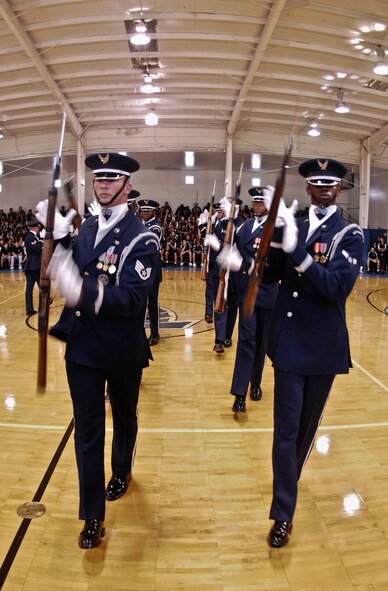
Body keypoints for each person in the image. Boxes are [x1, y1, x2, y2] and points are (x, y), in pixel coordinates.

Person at [218, 157, 363, 548]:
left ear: (339, 188)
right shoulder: (293, 226)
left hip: (322, 345)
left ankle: (288, 477)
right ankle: (283, 512)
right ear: (309, 189)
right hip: (288, 345)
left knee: (304, 429)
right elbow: (271, 272)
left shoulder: (350, 234)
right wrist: (243, 262)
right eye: (317, 184)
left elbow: (335, 288)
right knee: (284, 429)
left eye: (330, 183)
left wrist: (298, 254)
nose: (324, 189)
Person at [37, 152, 159, 550]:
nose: (104, 185)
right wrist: (51, 238)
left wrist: (82, 290)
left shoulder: (142, 237)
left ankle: (122, 470)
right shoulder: (86, 228)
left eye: (112, 179)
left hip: (123, 348)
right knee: (88, 432)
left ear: (127, 186)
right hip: (84, 349)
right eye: (99, 179)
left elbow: (131, 300)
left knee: (124, 417)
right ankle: (92, 515)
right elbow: (51, 273)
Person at [225, 187, 279, 413]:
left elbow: (275, 264)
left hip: (266, 292)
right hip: (245, 292)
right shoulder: (244, 227)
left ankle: (255, 383)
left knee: (261, 343)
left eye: (261, 201)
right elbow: (235, 256)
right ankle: (239, 393)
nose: (257, 205)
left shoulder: (276, 228)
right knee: (246, 342)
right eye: (255, 202)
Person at [137, 199, 162, 346]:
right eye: (143, 211)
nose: (145, 213)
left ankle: (154, 333)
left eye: (148, 211)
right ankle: (139, 332)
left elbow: (148, 245)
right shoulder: (140, 225)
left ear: (154, 212)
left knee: (152, 303)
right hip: (140, 269)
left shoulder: (155, 227)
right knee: (140, 303)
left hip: (152, 269)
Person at [24, 219, 43, 315]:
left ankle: (29, 310)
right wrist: (42, 241)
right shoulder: (31, 237)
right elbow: (36, 248)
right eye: (38, 227)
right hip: (34, 266)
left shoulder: (33, 237)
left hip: (30, 266)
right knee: (42, 287)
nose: (39, 229)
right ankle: (44, 306)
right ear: (35, 227)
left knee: (30, 288)